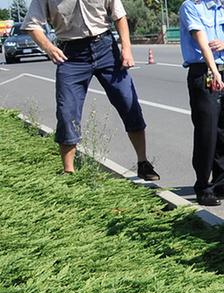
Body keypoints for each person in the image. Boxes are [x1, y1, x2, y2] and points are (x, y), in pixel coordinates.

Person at [23, 0, 159, 179]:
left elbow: (119, 16)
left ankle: (143, 163)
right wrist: (48, 47)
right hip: (71, 55)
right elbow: (31, 24)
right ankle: (68, 173)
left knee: (128, 102)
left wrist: (126, 48)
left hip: (106, 49)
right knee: (67, 112)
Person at [178, 0, 224, 206]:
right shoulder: (190, 6)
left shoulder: (219, 8)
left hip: (222, 72)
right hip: (204, 72)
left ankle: (222, 183)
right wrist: (213, 70)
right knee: (206, 132)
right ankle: (203, 187)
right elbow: (201, 39)